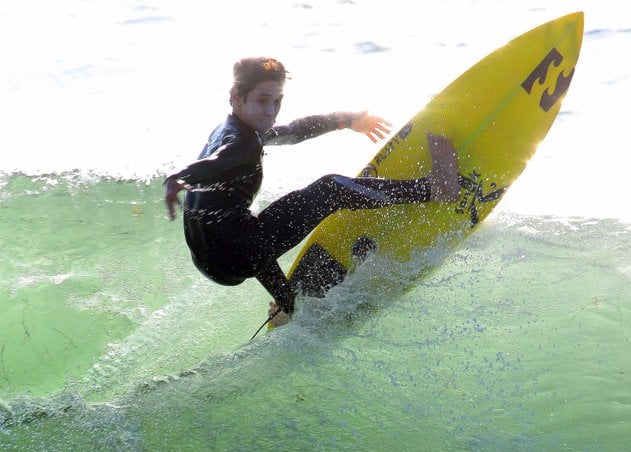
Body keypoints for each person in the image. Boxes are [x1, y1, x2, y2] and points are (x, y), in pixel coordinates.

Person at [164, 57, 460, 326]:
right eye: (263, 101)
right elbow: (219, 161)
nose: (271, 111)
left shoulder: (233, 129)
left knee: (248, 228)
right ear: (235, 97)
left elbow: (292, 132)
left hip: (213, 260)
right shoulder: (241, 143)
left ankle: (288, 305)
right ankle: (433, 188)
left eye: (277, 101)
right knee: (330, 189)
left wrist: (345, 120)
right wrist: (180, 176)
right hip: (238, 253)